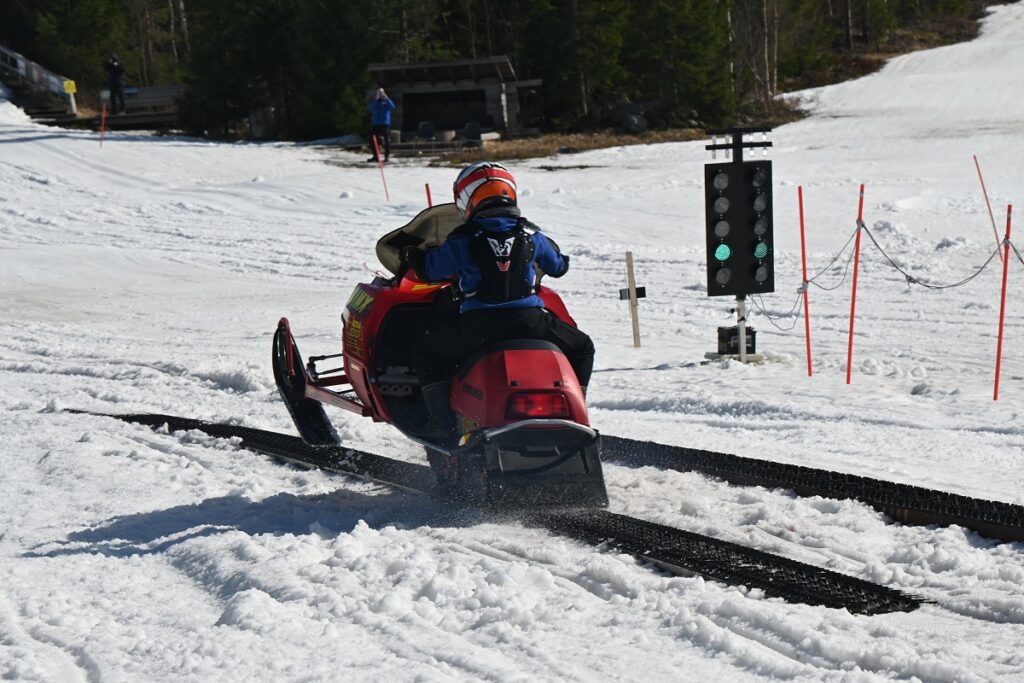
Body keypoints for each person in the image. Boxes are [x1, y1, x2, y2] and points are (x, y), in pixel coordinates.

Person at [401, 161, 595, 438]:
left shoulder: (462, 239)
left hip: (479, 328)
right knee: (583, 346)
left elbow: (431, 270)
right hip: (530, 324)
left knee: (426, 352)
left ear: (467, 199)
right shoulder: (531, 235)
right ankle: (577, 412)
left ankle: (442, 424)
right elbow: (558, 267)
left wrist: (414, 256)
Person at [367, 88, 395, 163]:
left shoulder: (386, 101)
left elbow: (392, 107)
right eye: (378, 93)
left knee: (387, 140)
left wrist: (386, 99)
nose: (380, 95)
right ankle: (375, 156)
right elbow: (370, 107)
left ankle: (387, 157)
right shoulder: (374, 101)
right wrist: (376, 99)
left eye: (381, 93)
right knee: (372, 140)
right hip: (375, 123)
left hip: (385, 123)